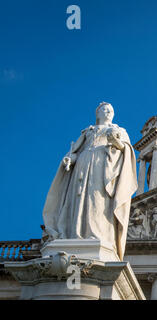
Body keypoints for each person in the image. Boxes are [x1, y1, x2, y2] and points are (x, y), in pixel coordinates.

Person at [42, 102, 137, 260]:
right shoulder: (88, 132)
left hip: (104, 169)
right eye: (105, 109)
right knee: (78, 201)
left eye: (111, 110)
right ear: (97, 113)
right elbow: (75, 151)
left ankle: (96, 233)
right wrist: (70, 159)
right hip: (83, 167)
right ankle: (74, 234)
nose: (108, 112)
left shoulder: (119, 130)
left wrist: (116, 143)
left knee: (98, 201)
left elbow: (125, 150)